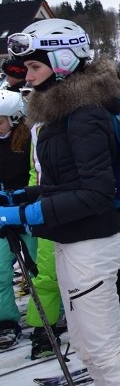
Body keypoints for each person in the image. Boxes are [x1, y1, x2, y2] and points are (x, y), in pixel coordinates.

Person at [4, 18, 120, 384]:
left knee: (105, 348)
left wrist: (26, 213)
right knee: (86, 345)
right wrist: (20, 196)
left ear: (64, 60)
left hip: (91, 244)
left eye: (35, 66)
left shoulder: (84, 115)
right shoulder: (60, 114)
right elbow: (65, 183)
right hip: (69, 239)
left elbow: (96, 193)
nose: (29, 76)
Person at [0, 90, 34, 350]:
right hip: (2, 216)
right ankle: (5, 321)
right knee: (0, 270)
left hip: (28, 211)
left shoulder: (29, 140)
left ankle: (47, 314)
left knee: (39, 269)